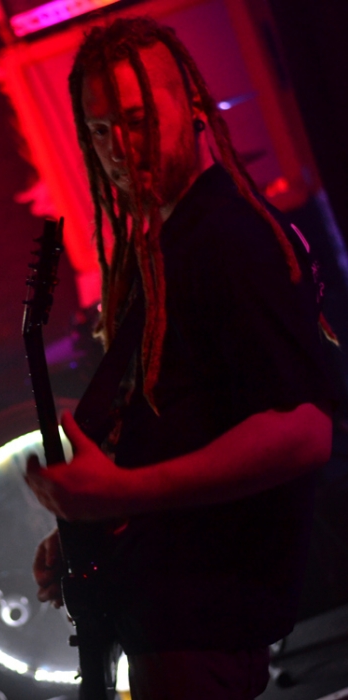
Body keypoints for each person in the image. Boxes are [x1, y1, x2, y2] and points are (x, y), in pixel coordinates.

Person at [26, 17, 334, 699]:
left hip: (205, 623)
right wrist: (94, 528)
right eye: (99, 130)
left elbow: (305, 430)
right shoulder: (164, 250)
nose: (116, 147)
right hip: (166, 619)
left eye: (135, 120)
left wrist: (124, 494)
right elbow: (182, 428)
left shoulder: (230, 238)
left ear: (194, 106)